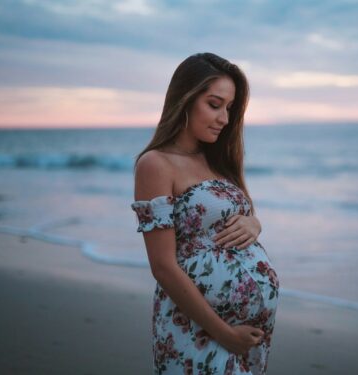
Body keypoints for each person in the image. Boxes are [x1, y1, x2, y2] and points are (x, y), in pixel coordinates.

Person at [131, 52, 279, 374]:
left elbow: (238, 215)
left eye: (229, 108)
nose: (224, 118)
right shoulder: (156, 164)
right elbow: (163, 266)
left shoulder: (216, 160)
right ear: (184, 99)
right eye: (214, 104)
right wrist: (225, 334)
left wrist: (254, 222)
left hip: (245, 335)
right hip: (196, 330)